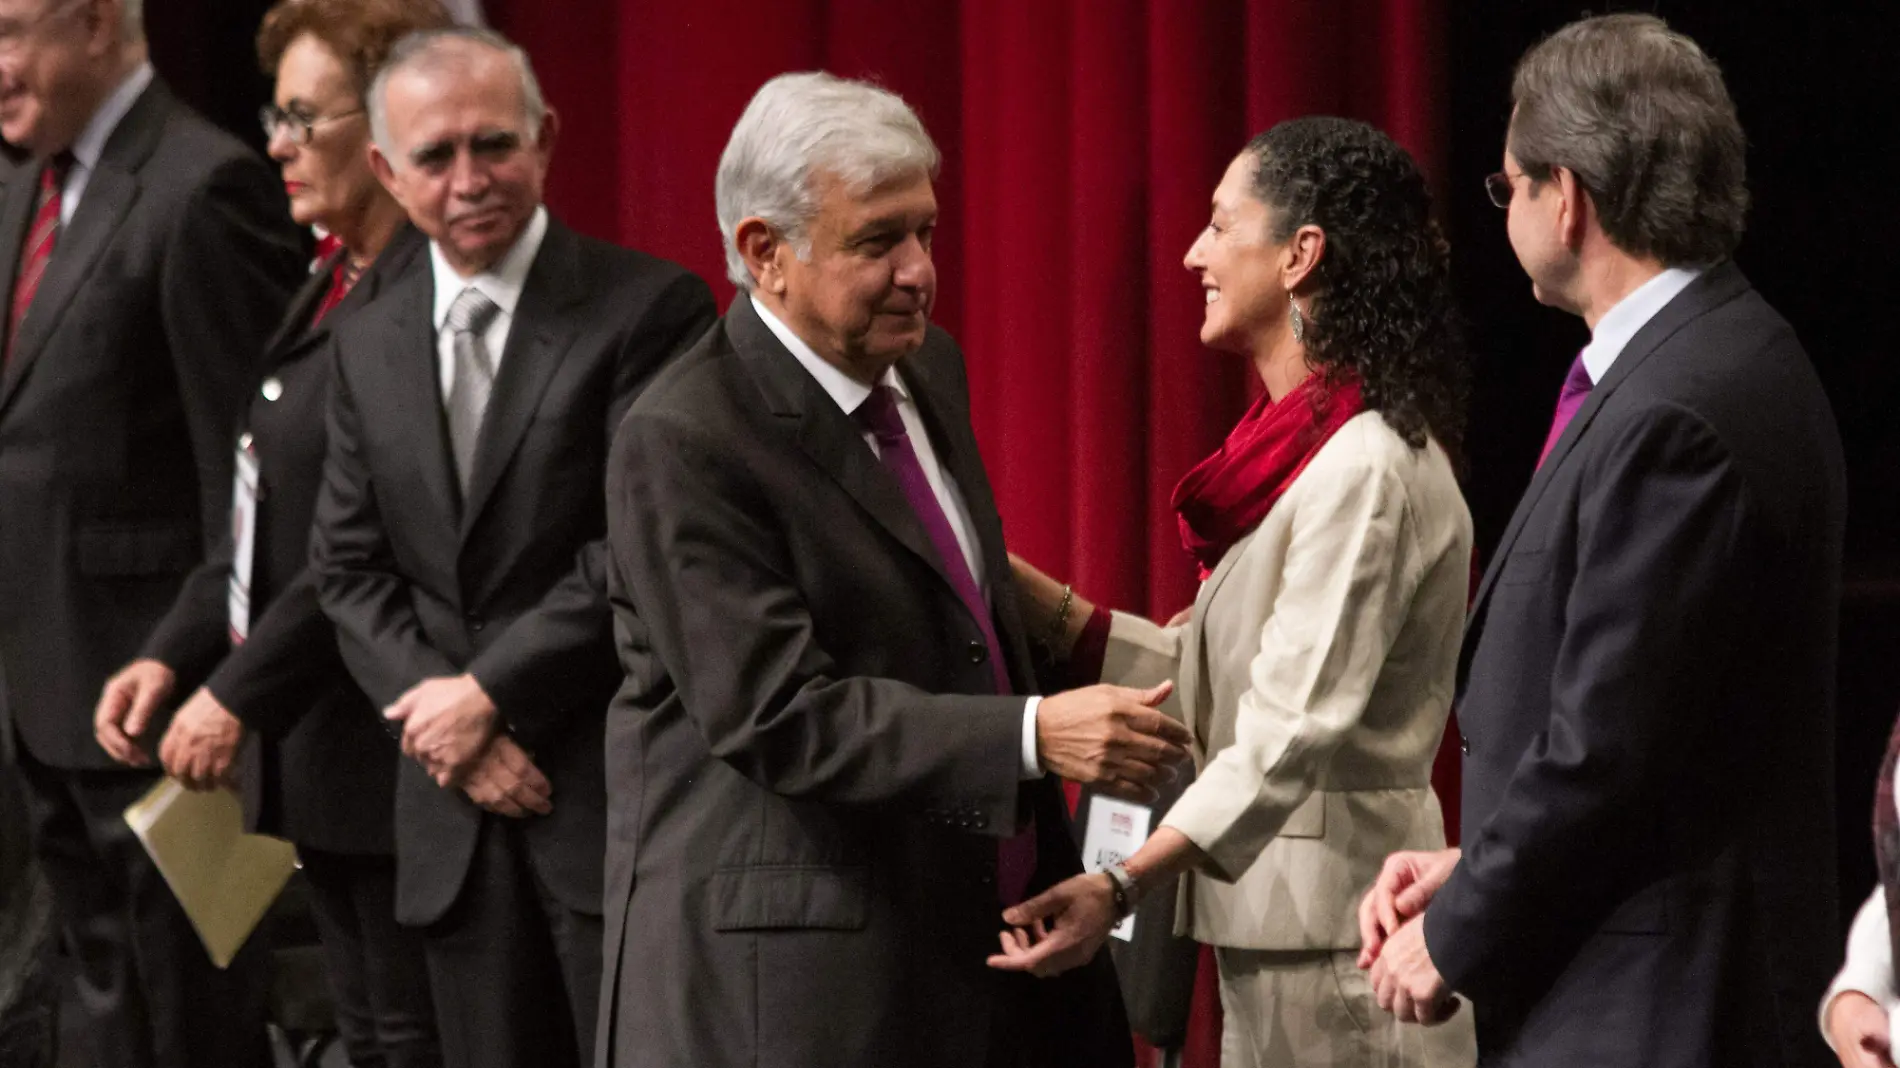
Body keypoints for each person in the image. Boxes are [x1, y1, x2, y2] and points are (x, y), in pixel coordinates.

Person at [598, 70, 1192, 1068]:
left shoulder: (926, 367)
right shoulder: (683, 439)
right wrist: (1035, 732)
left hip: (991, 942)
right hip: (810, 987)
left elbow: (949, 613)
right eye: (878, 241)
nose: (919, 270)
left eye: (924, 231)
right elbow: (777, 716)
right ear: (763, 253)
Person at [1357, 14, 1845, 1068]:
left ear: (1565, 196)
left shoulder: (1684, 405)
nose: (1504, 211)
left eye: (1505, 189)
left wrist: (1460, 926)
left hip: (1659, 1006)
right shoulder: (1704, 358)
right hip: (1636, 970)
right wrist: (1477, 863)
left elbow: (1608, 747)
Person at [994, 117, 1477, 1068]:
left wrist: (1121, 884)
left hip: (1354, 943)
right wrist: (1020, 592)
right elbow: (1229, 678)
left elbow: (1288, 726)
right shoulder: (1306, 456)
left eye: (1221, 225)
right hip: (1285, 931)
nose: (1193, 253)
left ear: (1301, 256)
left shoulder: (1365, 467)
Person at [310, 26, 715, 1068]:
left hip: (602, 799)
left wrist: (487, 694)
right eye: (436, 157)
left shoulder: (649, 309)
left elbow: (635, 549)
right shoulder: (365, 335)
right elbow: (349, 572)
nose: (469, 178)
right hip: (450, 814)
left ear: (546, 139)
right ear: (387, 175)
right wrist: (451, 728)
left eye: (494, 145)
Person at [93, 2, 455, 1066]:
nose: (278, 143)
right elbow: (261, 518)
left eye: (305, 116)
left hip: (391, 750)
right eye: (276, 114)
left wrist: (232, 697)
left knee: (410, 1039)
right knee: (366, 1033)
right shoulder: (327, 281)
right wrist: (170, 650)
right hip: (320, 762)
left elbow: (361, 545)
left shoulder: (426, 303)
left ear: (388, 123)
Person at [0, 0, 307, 1063]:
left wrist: (192, 670)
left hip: (161, 712)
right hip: (36, 701)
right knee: (85, 1021)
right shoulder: (22, 186)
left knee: (181, 1026)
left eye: (7, 32)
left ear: (93, 23)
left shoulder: (205, 187)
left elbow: (258, 475)